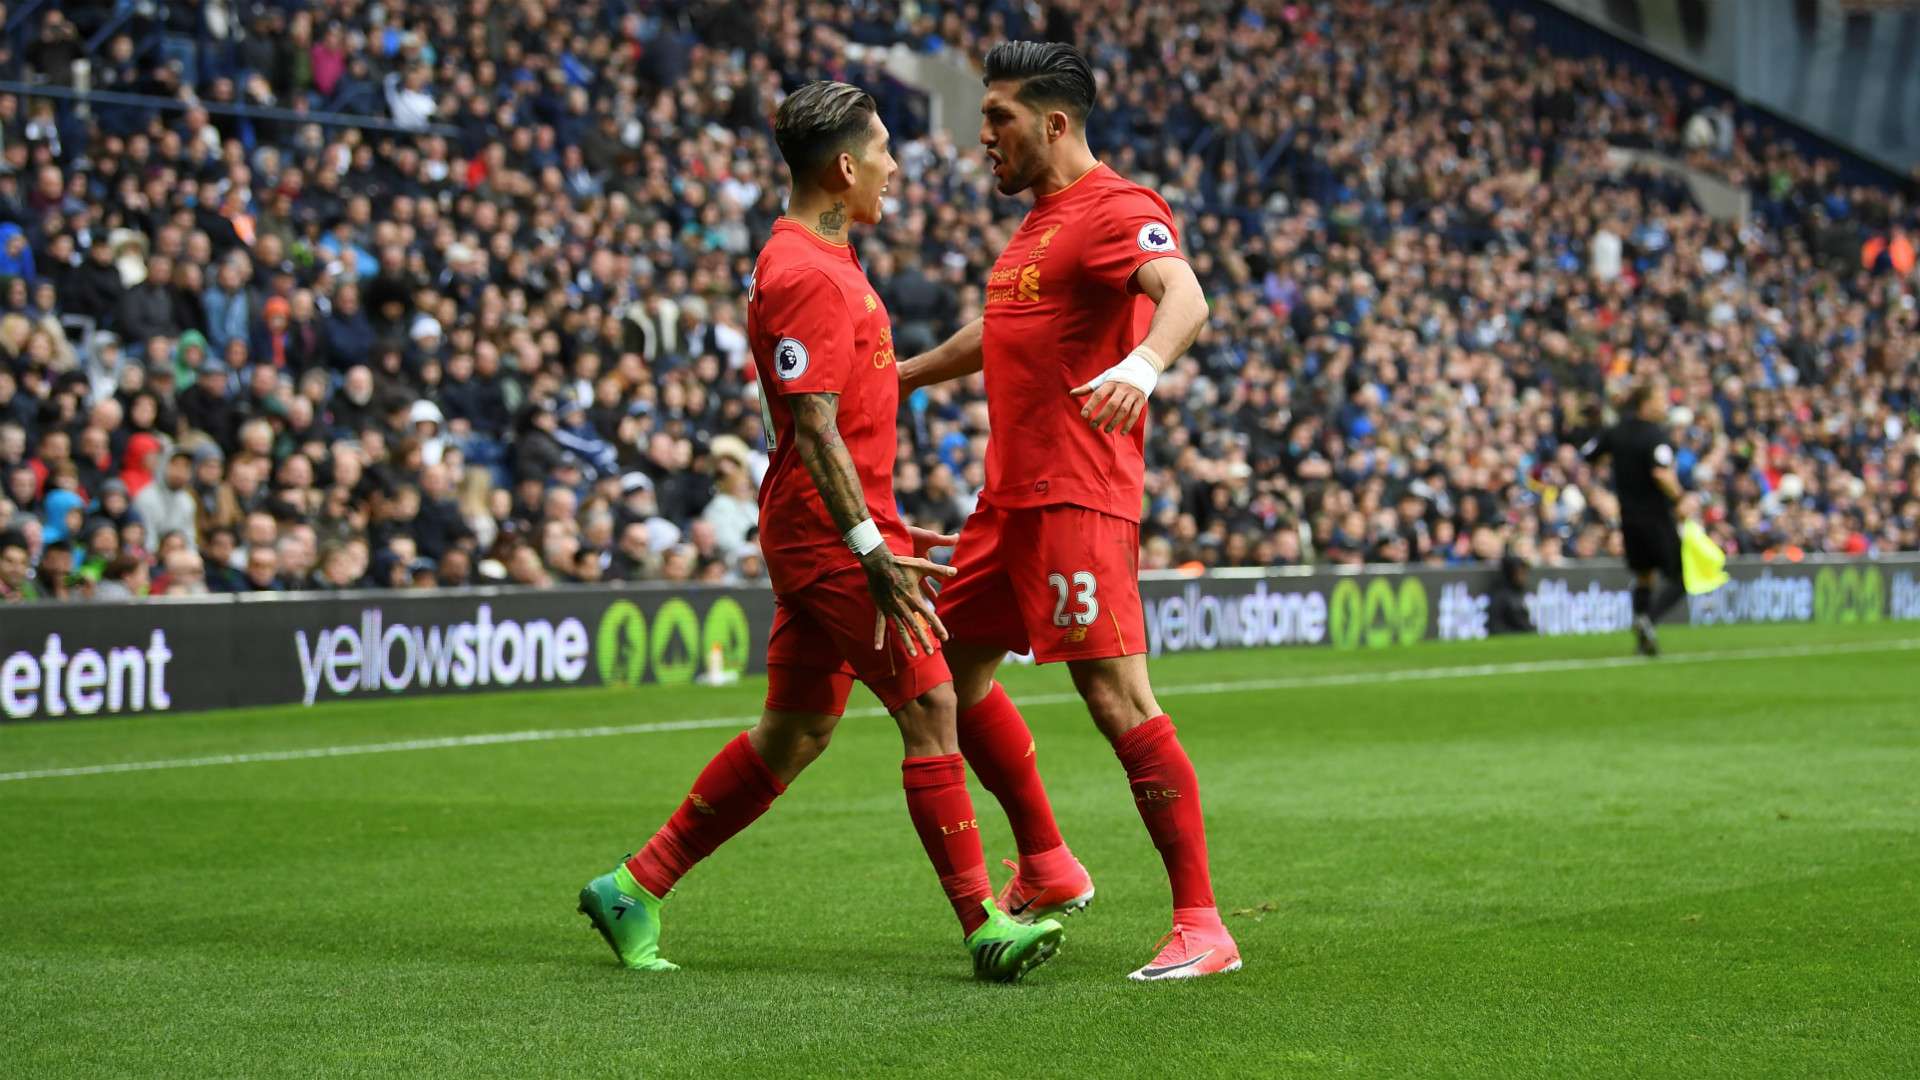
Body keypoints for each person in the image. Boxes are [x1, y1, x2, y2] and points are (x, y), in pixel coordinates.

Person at [576, 81, 1064, 983]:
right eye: (882, 152)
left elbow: (842, 426)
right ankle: (984, 923)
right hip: (829, 541)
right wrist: (869, 546)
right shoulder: (801, 269)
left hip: (835, 527)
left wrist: (878, 516)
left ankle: (633, 886)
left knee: (795, 731)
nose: (894, 169)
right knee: (930, 704)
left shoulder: (826, 258)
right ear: (844, 168)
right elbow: (813, 428)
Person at [900, 41, 1237, 981]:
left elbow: (1186, 294)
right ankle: (1047, 865)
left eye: (999, 118)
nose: (984, 138)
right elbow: (1006, 326)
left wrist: (1143, 364)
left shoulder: (1119, 208)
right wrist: (904, 375)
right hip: (1005, 504)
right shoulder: (1038, 224)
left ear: (1054, 123)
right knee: (939, 681)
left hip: (1077, 498)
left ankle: (1203, 925)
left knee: (1115, 696)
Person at [1583, 381, 1686, 656]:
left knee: (1643, 576)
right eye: (1661, 398)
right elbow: (1662, 474)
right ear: (1646, 402)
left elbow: (1589, 455)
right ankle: (1647, 620)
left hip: (1629, 520)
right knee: (1681, 577)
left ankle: (1642, 638)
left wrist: (1597, 494)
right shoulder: (1655, 436)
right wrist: (1680, 498)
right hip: (1656, 518)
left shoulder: (1615, 432)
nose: (1665, 404)